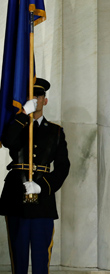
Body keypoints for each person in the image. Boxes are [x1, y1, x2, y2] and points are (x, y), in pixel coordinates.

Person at [0, 78, 70, 274]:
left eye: (38, 96)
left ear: (45, 100)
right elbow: (7, 141)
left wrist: (42, 186)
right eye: (31, 96)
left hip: (42, 200)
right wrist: (23, 115)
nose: (35, 99)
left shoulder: (56, 131)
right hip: (16, 195)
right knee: (18, 257)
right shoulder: (16, 125)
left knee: (41, 258)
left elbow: (63, 167)